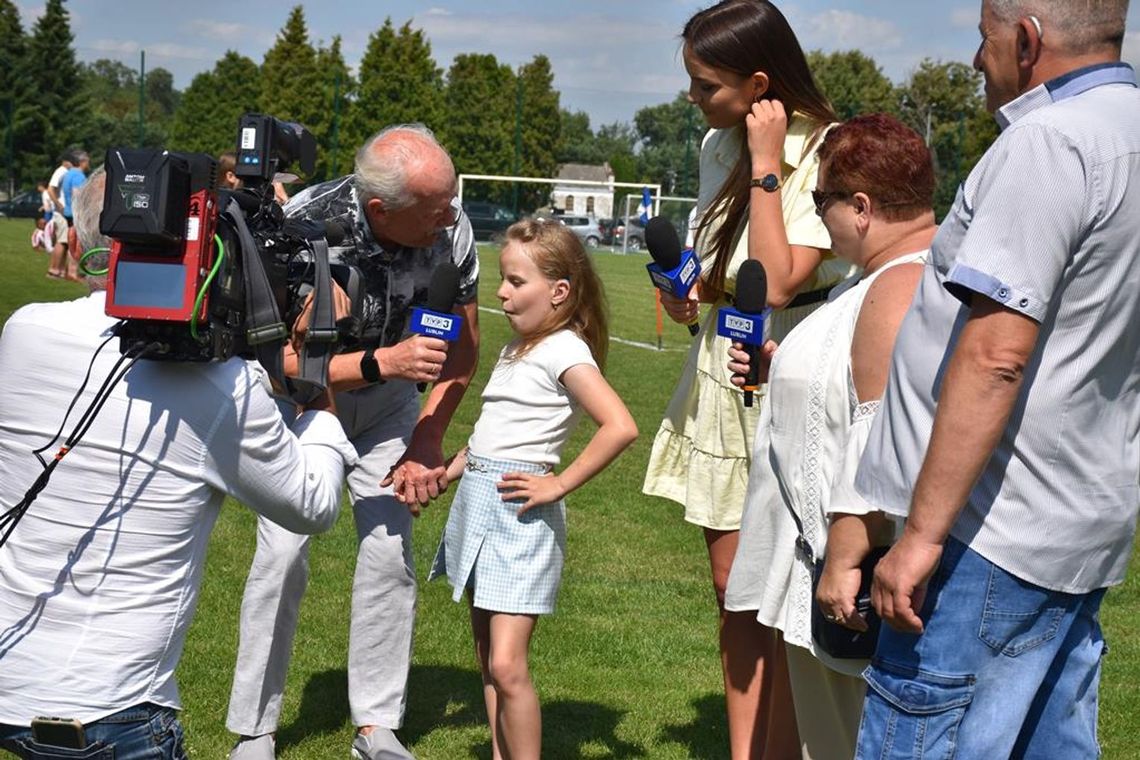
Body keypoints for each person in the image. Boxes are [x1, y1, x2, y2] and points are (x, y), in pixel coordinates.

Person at [850, 2, 1140, 757]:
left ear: (1027, 39)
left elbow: (994, 355)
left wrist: (917, 538)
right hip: (1082, 522)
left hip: (990, 534)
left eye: (983, 40)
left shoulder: (1048, 144)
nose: (977, 61)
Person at [0, 170, 357, 759]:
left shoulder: (23, 331)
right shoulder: (222, 386)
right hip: (116, 715)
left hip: (10, 686)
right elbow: (312, 505)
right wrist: (314, 371)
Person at [225, 124, 480, 760]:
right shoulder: (306, 225)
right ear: (378, 210)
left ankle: (377, 724)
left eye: (452, 200)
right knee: (281, 556)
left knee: (391, 550)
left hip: (394, 402)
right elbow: (282, 361)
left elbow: (461, 357)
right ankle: (255, 730)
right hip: (308, 400)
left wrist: (427, 437)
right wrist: (381, 364)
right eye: (435, 207)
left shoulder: (455, 229)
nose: (450, 217)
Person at [641, 1, 853, 755]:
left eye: (706, 86)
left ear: (759, 82)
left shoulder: (831, 151)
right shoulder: (714, 142)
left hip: (792, 367)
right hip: (722, 368)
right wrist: (685, 289)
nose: (693, 100)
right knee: (733, 589)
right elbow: (717, 260)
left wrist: (767, 165)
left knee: (786, 589)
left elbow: (782, 276)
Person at [724, 114, 935, 760]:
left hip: (856, 578)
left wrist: (848, 555)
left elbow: (885, 434)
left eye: (821, 202)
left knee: (850, 743)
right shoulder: (867, 281)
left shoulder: (903, 283)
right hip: (825, 570)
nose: (818, 220)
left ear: (863, 207)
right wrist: (779, 367)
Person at [424, 220, 637, 760]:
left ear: (559, 291)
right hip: (478, 506)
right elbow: (488, 435)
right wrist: (444, 475)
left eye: (516, 281)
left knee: (506, 664)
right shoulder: (518, 348)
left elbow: (620, 425)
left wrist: (558, 483)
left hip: (519, 518)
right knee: (485, 656)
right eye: (502, 279)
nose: (500, 292)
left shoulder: (564, 348)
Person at [58, 151, 90, 281]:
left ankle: (70, 271)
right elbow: (77, 194)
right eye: (88, 161)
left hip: (68, 211)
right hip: (76, 213)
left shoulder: (68, 174)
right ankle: (72, 271)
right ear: (82, 162)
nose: (89, 164)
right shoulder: (78, 176)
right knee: (76, 243)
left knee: (72, 241)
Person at [45, 152, 73, 279]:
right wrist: (58, 205)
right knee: (62, 242)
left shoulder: (64, 172)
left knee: (66, 242)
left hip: (64, 211)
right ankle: (53, 270)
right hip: (61, 212)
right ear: (66, 161)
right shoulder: (60, 171)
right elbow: (50, 189)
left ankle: (61, 270)